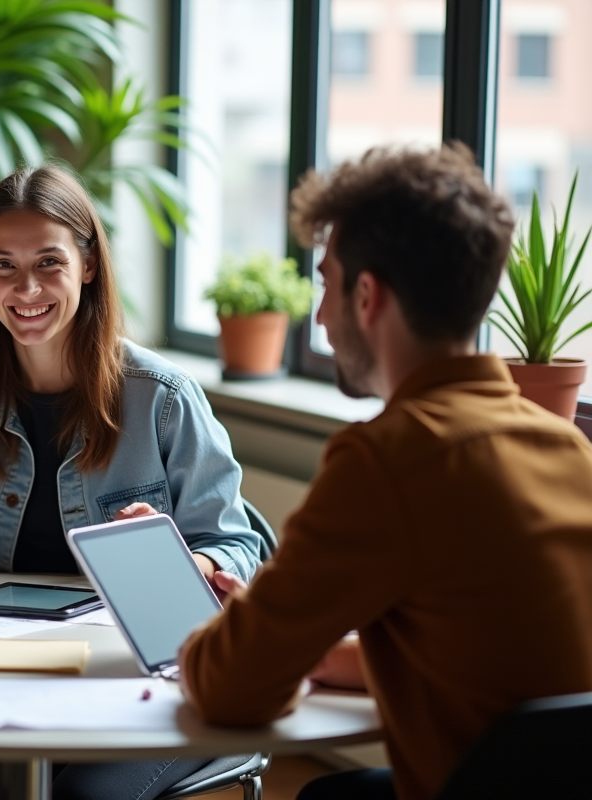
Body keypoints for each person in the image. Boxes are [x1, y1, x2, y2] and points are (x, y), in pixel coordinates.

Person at [178, 144, 592, 800]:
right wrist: (308, 646)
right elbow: (483, 655)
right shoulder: (566, 447)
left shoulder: (388, 459)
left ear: (367, 296)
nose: (319, 315)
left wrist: (216, 633)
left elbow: (227, 688)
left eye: (326, 284)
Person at [0, 164, 262, 800]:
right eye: (4, 266)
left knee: (85, 796)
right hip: (6, 668)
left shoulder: (162, 397)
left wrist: (175, 558)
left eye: (49, 262)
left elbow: (238, 545)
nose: (26, 289)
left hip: (145, 679)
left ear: (89, 264)